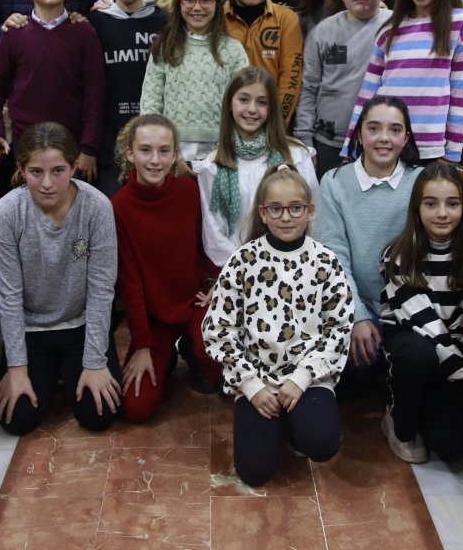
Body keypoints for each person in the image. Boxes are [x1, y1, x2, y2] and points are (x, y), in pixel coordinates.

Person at [202, 164, 353, 487]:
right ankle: (275, 424)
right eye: (276, 209)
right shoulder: (242, 261)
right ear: (263, 213)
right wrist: (251, 386)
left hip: (308, 377)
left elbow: (338, 329)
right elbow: (219, 330)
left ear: (310, 211)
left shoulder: (326, 262)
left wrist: (302, 377)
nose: (286, 217)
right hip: (257, 377)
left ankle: (298, 427)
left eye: (296, 208)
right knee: (255, 471)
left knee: (321, 444)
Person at [0, 122, 123, 435]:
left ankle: (64, 371)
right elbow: (8, 296)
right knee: (17, 419)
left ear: (74, 167)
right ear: (21, 169)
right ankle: (48, 373)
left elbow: (102, 290)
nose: (47, 183)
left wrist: (95, 363)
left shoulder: (97, 207)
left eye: (58, 171)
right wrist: (17, 368)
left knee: (98, 414)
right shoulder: (6, 213)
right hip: (31, 328)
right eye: (36, 172)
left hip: (80, 323)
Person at [112, 114, 223, 424]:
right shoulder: (118, 207)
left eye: (164, 151)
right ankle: (167, 354)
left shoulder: (189, 190)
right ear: (130, 153)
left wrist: (216, 285)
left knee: (218, 368)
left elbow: (208, 245)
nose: (155, 160)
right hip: (154, 318)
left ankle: (192, 346)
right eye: (145, 150)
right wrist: (142, 345)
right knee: (136, 408)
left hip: (195, 302)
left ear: (175, 155)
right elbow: (130, 283)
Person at [379, 160, 463, 464]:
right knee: (419, 355)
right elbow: (428, 326)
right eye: (431, 204)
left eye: (452, 204)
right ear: (417, 209)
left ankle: (425, 408)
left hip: (451, 353)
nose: (442, 213)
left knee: (460, 446)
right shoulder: (398, 255)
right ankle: (398, 419)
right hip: (411, 342)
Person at [317, 97, 420, 400]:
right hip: (357, 302)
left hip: (407, 305)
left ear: (406, 138)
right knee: (358, 369)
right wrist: (358, 316)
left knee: (418, 360)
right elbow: (334, 256)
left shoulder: (420, 182)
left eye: (395, 130)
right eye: (373, 128)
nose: (384, 138)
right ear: (359, 135)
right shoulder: (334, 182)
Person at [343, 0, 463, 163]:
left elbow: (462, 96)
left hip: (431, 151)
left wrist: (452, 155)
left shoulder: (461, 23)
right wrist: (349, 147)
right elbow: (367, 95)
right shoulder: (389, 30)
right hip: (383, 146)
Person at [0, 0, 105, 182]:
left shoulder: (84, 33)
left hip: (72, 143)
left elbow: (95, 94)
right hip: (25, 142)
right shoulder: (14, 33)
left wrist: (89, 147)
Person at [196, 67, 318, 268]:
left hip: (294, 266)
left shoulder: (296, 156)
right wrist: (250, 269)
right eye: (243, 100)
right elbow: (214, 233)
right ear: (230, 104)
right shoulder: (213, 165)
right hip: (240, 269)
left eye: (262, 102)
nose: (252, 109)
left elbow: (314, 216)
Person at [295, 0, 392, 178]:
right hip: (329, 143)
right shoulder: (321, 32)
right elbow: (308, 89)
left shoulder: (397, 29)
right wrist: (305, 142)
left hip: (382, 143)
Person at [139, 0, 249, 166]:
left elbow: (243, 104)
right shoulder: (165, 47)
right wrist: (168, 152)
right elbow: (150, 105)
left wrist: (227, 148)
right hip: (171, 150)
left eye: (206, 0)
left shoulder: (233, 50)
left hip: (221, 150)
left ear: (217, 3)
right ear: (179, 2)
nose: (197, 7)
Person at [87, 0, 168, 196]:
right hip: (108, 138)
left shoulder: (164, 21)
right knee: (112, 204)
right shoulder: (96, 21)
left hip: (153, 132)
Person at [221, 0, 305, 128]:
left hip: (271, 123)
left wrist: (276, 127)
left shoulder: (287, 19)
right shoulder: (216, 18)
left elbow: (291, 79)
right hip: (222, 123)